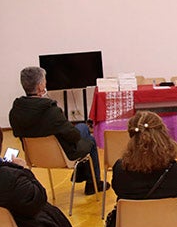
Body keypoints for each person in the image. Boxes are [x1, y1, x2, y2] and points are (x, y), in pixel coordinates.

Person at [9, 66, 105, 195]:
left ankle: (85, 176)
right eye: (44, 81)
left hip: (34, 157)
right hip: (63, 156)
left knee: (82, 130)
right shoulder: (51, 111)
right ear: (39, 87)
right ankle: (93, 183)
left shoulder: (15, 111)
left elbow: (17, 133)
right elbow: (74, 136)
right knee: (88, 137)